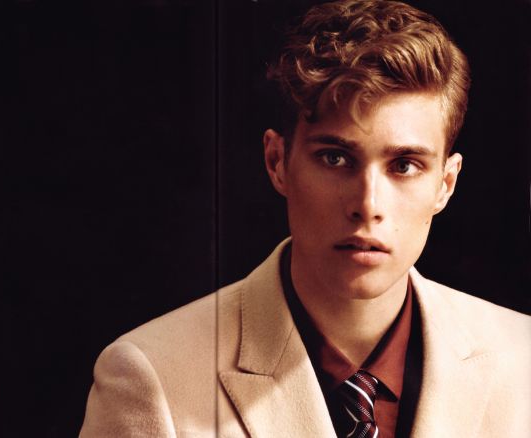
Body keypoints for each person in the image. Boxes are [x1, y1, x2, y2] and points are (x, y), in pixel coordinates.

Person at [79, 1, 530, 436]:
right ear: (277, 161)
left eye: (404, 165)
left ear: (446, 184)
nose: (368, 204)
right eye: (335, 158)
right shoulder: (154, 377)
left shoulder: (523, 361)